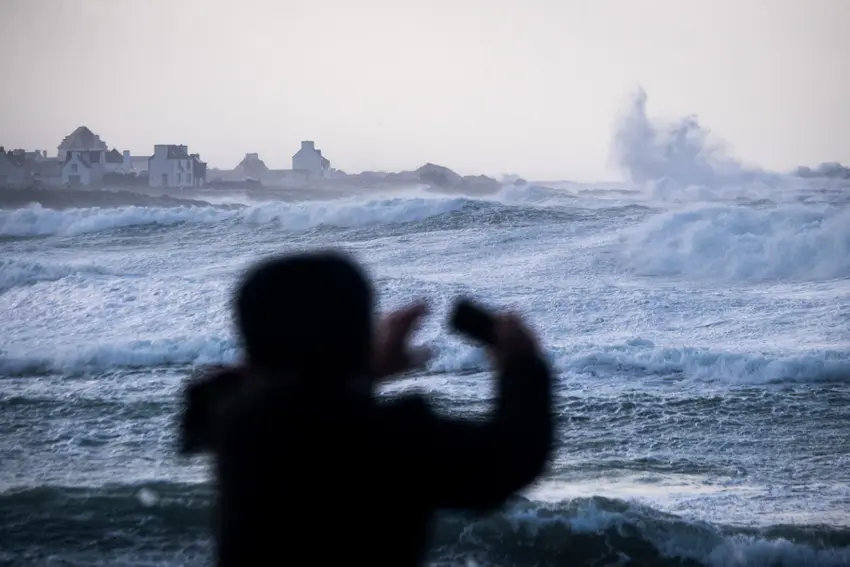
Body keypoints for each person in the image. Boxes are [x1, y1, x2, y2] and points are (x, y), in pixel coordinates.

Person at [178, 250, 554, 567]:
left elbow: (270, 394)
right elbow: (514, 457)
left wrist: (359, 371)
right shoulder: (390, 441)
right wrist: (522, 363)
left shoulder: (233, 421)